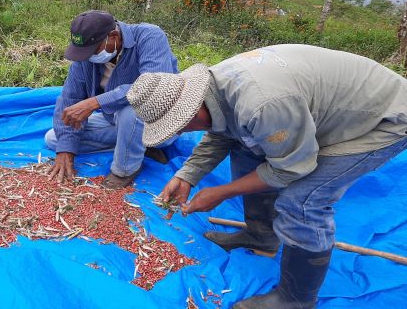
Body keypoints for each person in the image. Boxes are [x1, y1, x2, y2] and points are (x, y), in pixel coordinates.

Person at [127, 44, 407, 308]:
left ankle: (295, 299)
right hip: (315, 109)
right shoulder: (215, 90)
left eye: (180, 125)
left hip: (383, 119)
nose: (181, 133)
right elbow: (221, 135)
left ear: (192, 105)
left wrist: (221, 192)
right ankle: (261, 236)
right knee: (247, 149)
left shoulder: (260, 104)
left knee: (303, 201)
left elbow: (292, 168)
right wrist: (187, 176)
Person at [45, 10, 178, 189]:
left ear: (113, 36)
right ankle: (136, 147)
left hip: (157, 123)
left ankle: (125, 169)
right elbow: (70, 99)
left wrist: (96, 102)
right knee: (55, 139)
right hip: (116, 121)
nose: (88, 56)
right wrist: (66, 150)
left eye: (94, 50)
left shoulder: (149, 36)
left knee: (131, 111)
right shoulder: (86, 57)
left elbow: (154, 84)